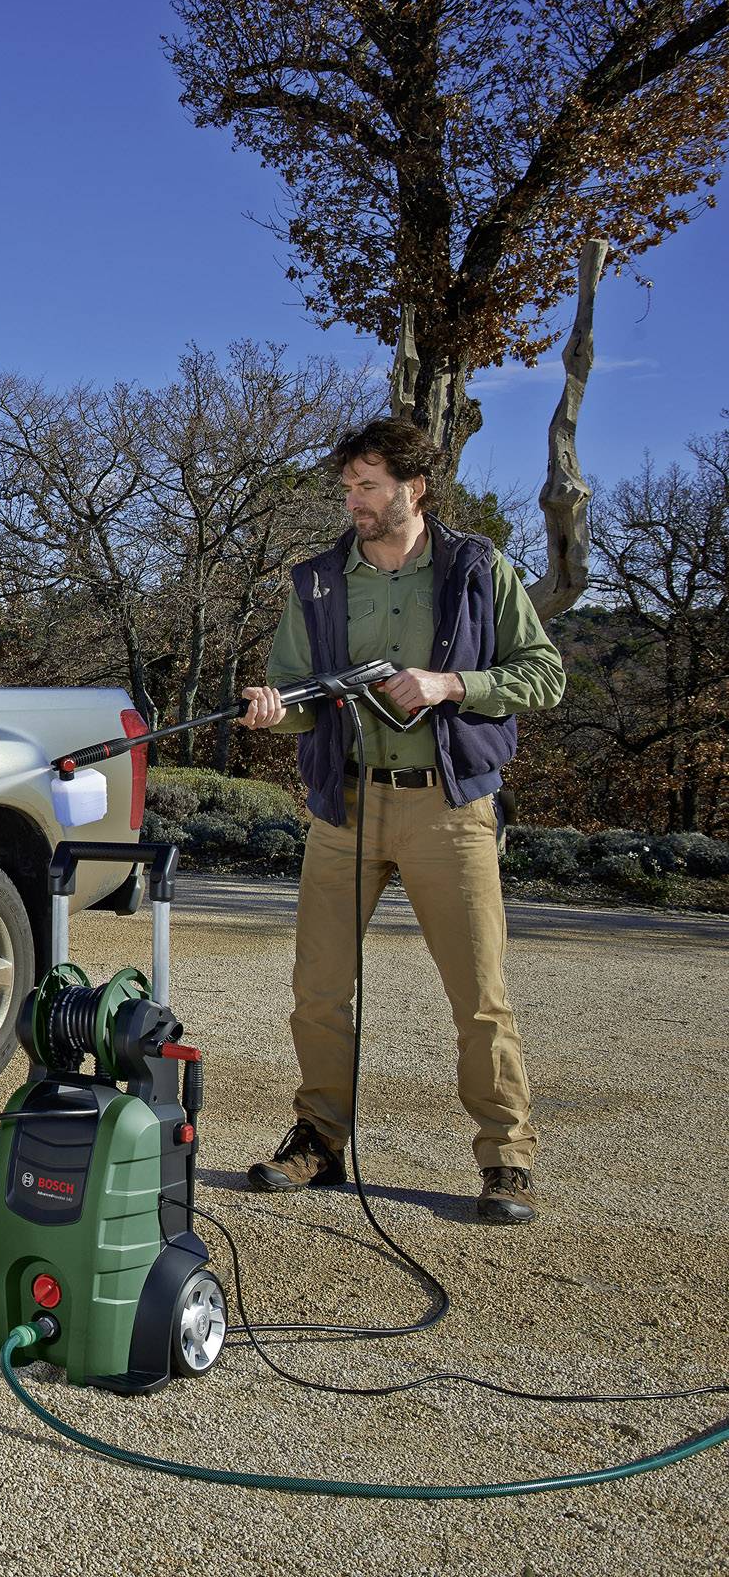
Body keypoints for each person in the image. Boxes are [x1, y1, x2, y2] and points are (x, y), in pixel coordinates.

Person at [237, 417, 565, 1225]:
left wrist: (451, 685)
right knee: (318, 989)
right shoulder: (315, 580)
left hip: (447, 808)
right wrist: (271, 709)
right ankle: (317, 1140)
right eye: (348, 486)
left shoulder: (477, 566)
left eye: (369, 486)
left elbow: (544, 674)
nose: (353, 500)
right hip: (344, 806)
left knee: (478, 994)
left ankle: (506, 1160)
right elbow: (296, 699)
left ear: (413, 488)